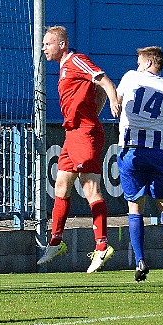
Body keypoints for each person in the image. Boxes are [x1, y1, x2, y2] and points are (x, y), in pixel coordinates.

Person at [36, 26, 121, 273]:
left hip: (85, 133)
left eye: (48, 44)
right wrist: (96, 108)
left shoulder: (75, 60)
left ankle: (102, 245)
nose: (44, 48)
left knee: (90, 187)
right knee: (61, 186)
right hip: (72, 134)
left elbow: (102, 79)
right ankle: (55, 242)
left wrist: (113, 99)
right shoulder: (63, 68)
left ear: (61, 44)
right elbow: (94, 90)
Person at [116, 46, 163, 282]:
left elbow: (117, 104)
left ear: (147, 63)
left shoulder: (130, 77)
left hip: (130, 150)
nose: (136, 64)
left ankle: (140, 260)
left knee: (136, 208)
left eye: (139, 60)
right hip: (158, 152)